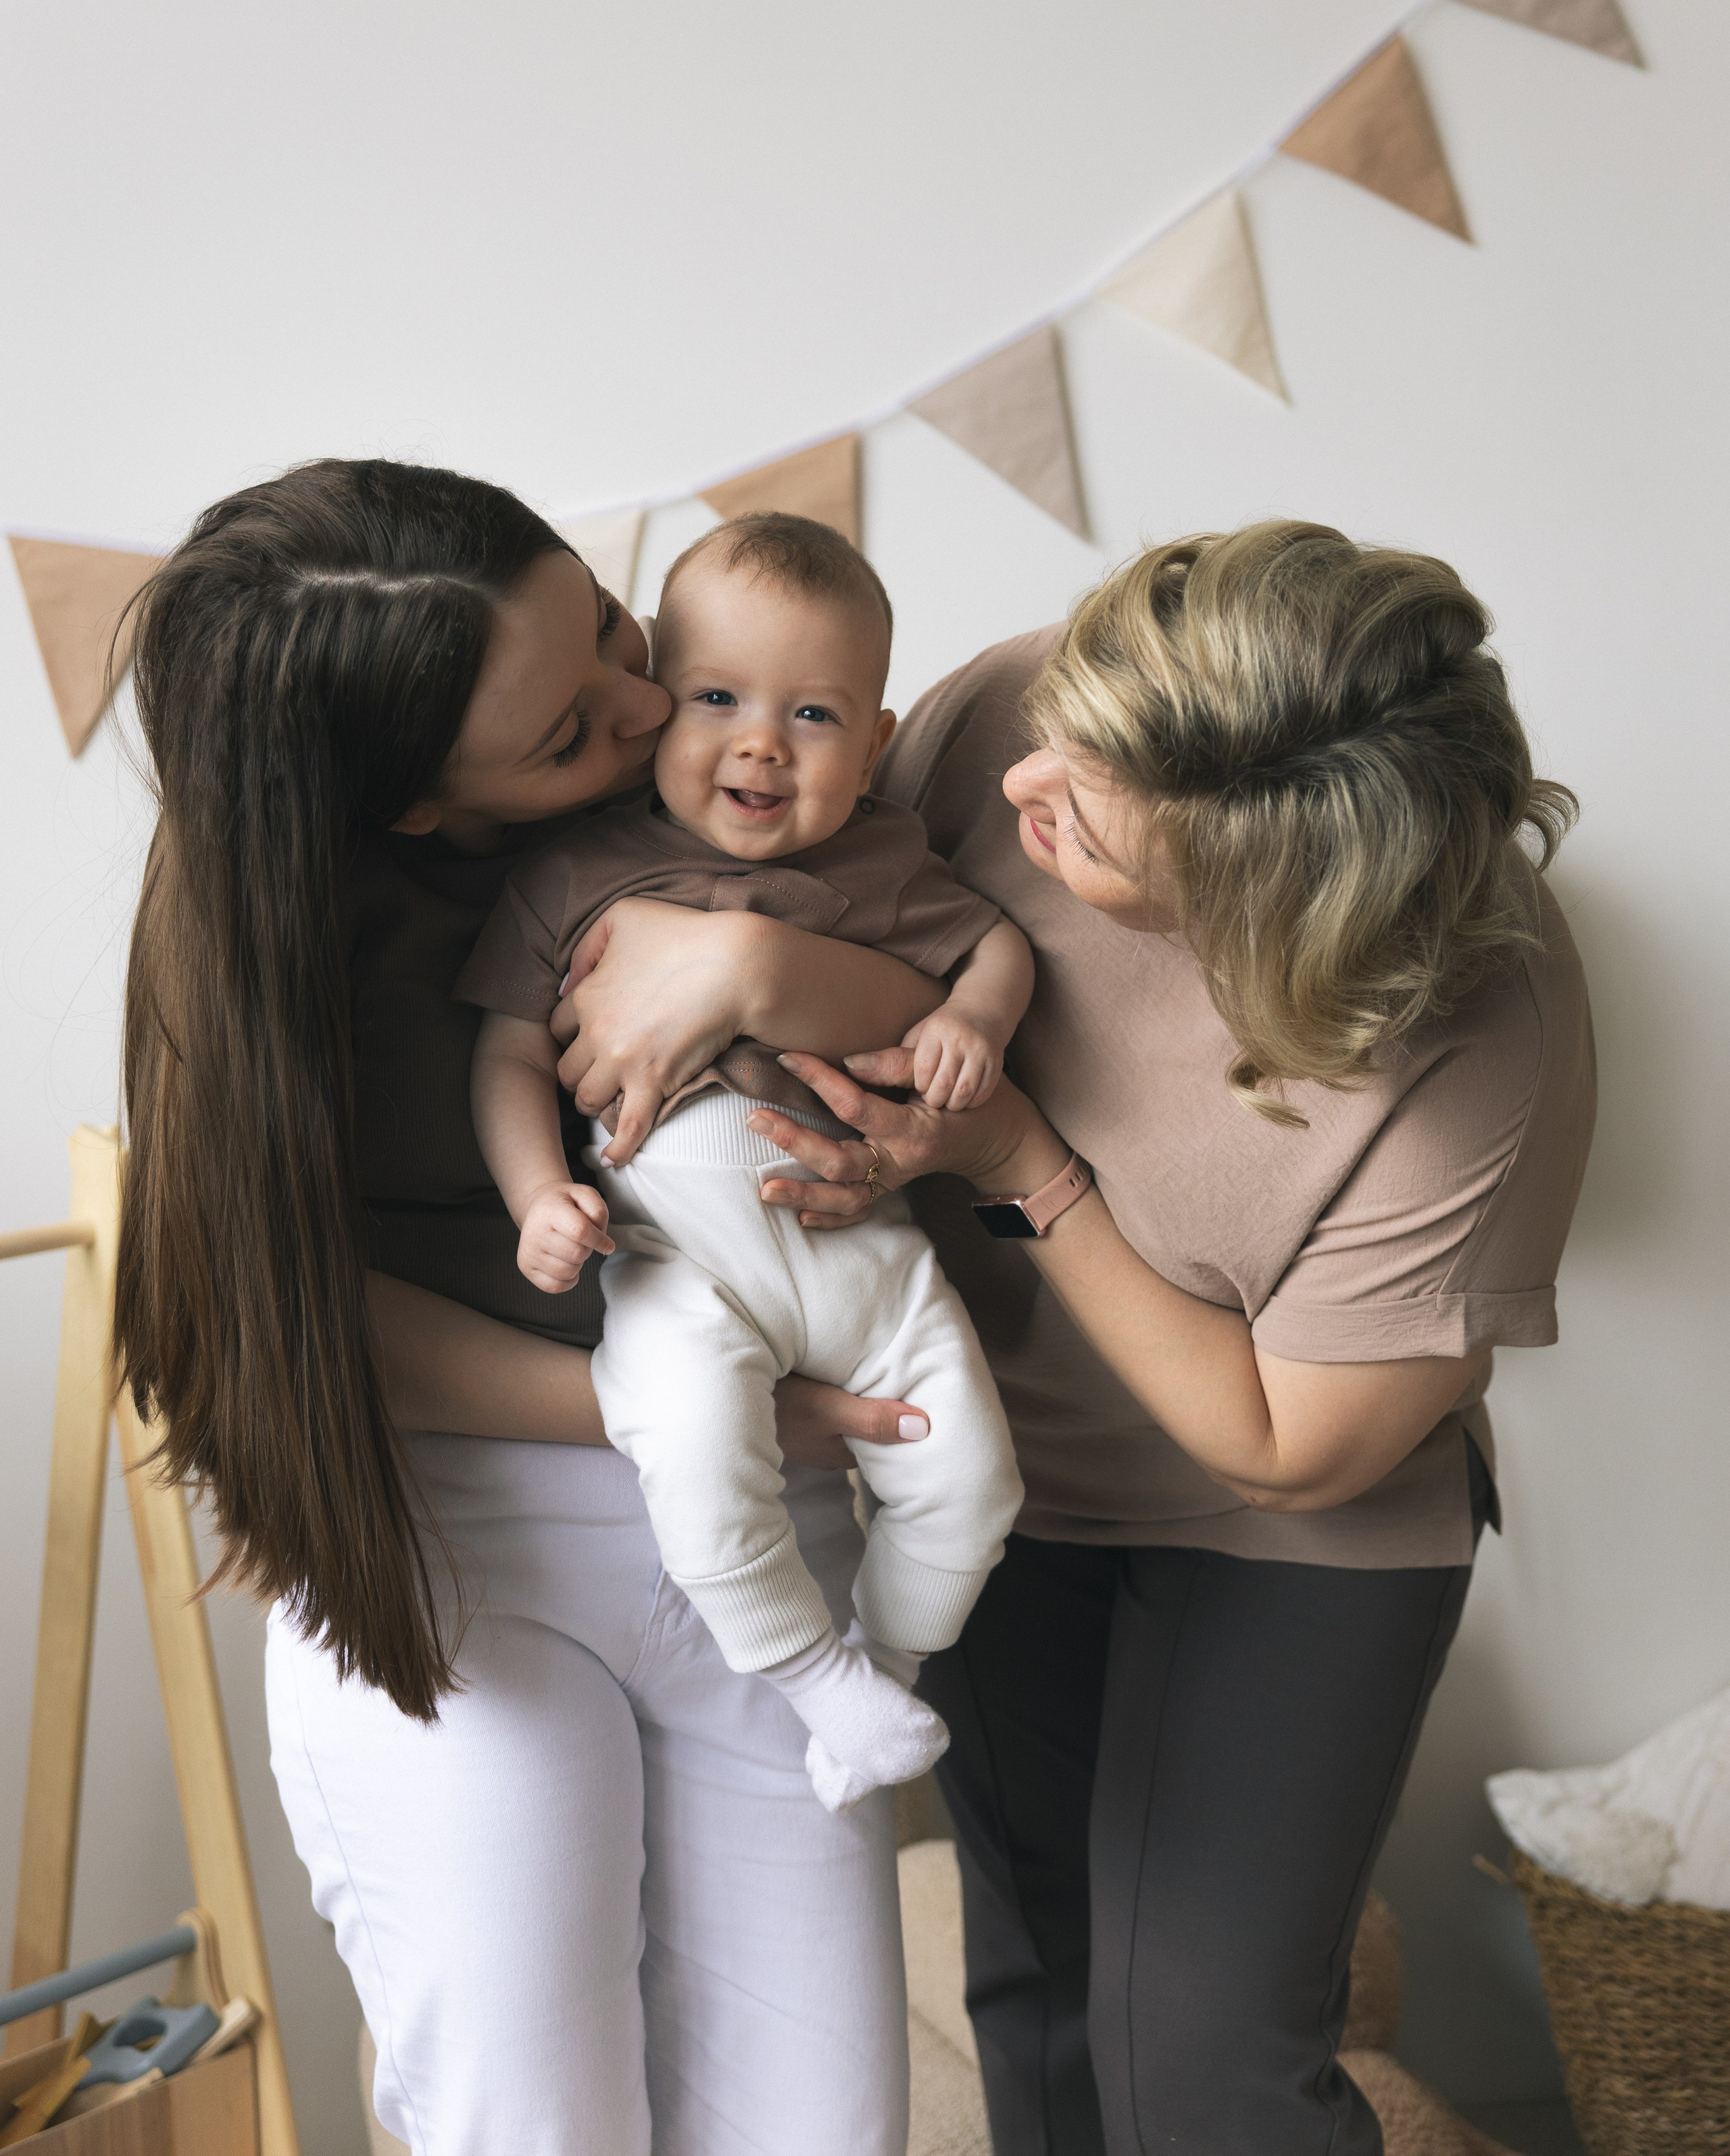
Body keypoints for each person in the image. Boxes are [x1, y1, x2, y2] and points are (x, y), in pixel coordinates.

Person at [626, 521, 1598, 2156]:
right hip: (1001, 1487)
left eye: (1079, 808)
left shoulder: (1477, 1023)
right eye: (1053, 728)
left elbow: (1286, 1450)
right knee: (1043, 1996)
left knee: (1206, 2066)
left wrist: (1018, 1162)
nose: (1020, 782)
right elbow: (756, 905)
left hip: (1294, 1532)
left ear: (1253, 888)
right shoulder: (1010, 719)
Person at [113, 458, 947, 2156]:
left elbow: (941, 985)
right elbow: (292, 1322)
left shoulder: (723, 778)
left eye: (615, 629)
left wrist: (752, 970)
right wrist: (685, 1413)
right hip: (451, 1560)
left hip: (756, 1546)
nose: (656, 711)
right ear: (417, 807)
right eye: (573, 729)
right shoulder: (268, 949)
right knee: (538, 2121)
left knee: (826, 2125)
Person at [460, 510, 1028, 1811]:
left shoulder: (882, 858)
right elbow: (501, 1055)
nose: (762, 741)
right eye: (717, 696)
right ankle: (812, 1681)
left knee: (973, 1477)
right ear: (660, 702)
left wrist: (969, 1021)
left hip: (861, 1248)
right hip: (674, 1260)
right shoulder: (575, 870)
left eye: (816, 715)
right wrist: (536, 1193)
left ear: (875, 741)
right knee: (699, 1460)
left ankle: (883, 1676)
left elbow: (997, 948)